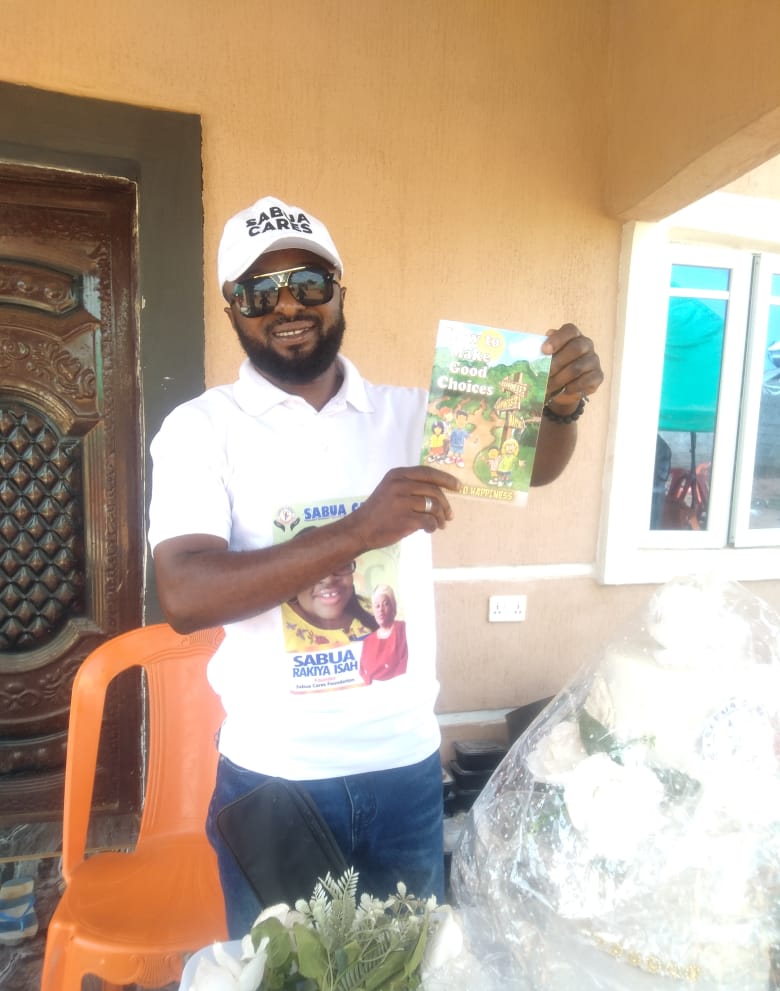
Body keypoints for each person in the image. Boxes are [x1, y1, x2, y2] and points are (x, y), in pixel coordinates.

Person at [148, 194, 604, 938]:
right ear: (232, 308)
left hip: (404, 766)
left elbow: (534, 467)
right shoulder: (200, 429)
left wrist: (557, 408)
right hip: (276, 777)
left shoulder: (410, 415)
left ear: (339, 293)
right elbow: (185, 592)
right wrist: (360, 530)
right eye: (259, 291)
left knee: (408, 981)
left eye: (308, 283)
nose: (287, 305)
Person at [359, 584, 408, 683]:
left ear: (393, 607)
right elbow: (362, 672)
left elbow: (406, 662)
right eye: (377, 606)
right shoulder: (368, 641)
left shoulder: (402, 629)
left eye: (385, 604)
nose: (380, 609)